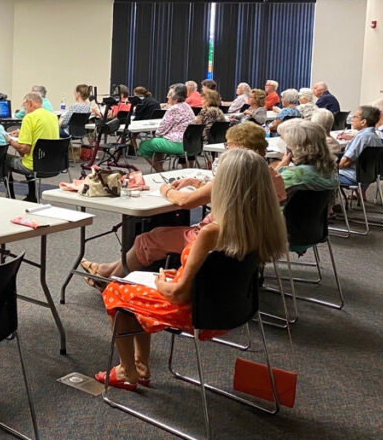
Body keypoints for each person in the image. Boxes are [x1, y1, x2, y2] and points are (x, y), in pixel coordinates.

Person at [95, 148, 287, 390]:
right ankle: (139, 366)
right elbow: (216, 274)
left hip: (200, 311)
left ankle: (127, 371)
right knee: (133, 286)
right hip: (235, 305)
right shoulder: (263, 225)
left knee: (115, 291)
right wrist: (178, 277)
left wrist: (162, 281)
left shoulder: (211, 233)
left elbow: (178, 295)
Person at [80, 122, 286, 285]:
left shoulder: (234, 175)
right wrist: (194, 182)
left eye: (228, 145)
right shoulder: (273, 176)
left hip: (218, 241)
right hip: (250, 240)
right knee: (160, 233)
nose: (226, 149)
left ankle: (110, 283)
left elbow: (186, 201)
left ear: (239, 147)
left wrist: (165, 189)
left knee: (148, 238)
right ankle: (107, 272)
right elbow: (226, 196)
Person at [6, 91, 59, 202]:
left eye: (24, 105)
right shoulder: (53, 116)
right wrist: (22, 133)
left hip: (33, 166)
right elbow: (41, 133)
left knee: (5, 158)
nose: (24, 109)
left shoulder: (29, 118)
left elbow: (24, 149)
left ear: (29, 103)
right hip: (53, 164)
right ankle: (31, 195)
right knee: (28, 157)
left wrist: (9, 140)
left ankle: (11, 198)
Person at [138, 83, 194, 170]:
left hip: (178, 144)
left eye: (169, 95)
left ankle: (161, 171)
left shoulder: (173, 109)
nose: (167, 97)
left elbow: (161, 130)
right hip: (190, 143)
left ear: (175, 97)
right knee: (159, 142)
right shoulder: (187, 107)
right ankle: (160, 171)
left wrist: (158, 134)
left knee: (144, 145)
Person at [275, 120, 339, 193]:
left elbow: (264, 187)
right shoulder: (331, 171)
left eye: (288, 145)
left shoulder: (294, 175)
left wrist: (282, 164)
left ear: (297, 148)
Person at [337, 105, 383, 187]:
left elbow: (345, 163)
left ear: (363, 122)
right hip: (367, 177)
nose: (352, 119)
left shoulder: (361, 137)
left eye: (355, 117)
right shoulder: (376, 137)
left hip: (351, 176)